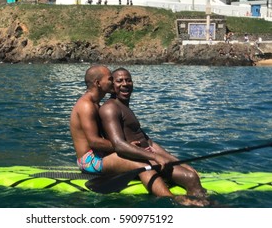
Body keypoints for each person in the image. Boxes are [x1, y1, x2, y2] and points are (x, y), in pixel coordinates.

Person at [70, 65, 208, 206]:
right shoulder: (87, 105)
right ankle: (172, 199)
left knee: (139, 158)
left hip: (100, 155)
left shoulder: (96, 104)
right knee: (140, 163)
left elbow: (144, 141)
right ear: (98, 83)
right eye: (111, 79)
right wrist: (134, 149)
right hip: (89, 160)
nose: (114, 83)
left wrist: (182, 164)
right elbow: (94, 142)